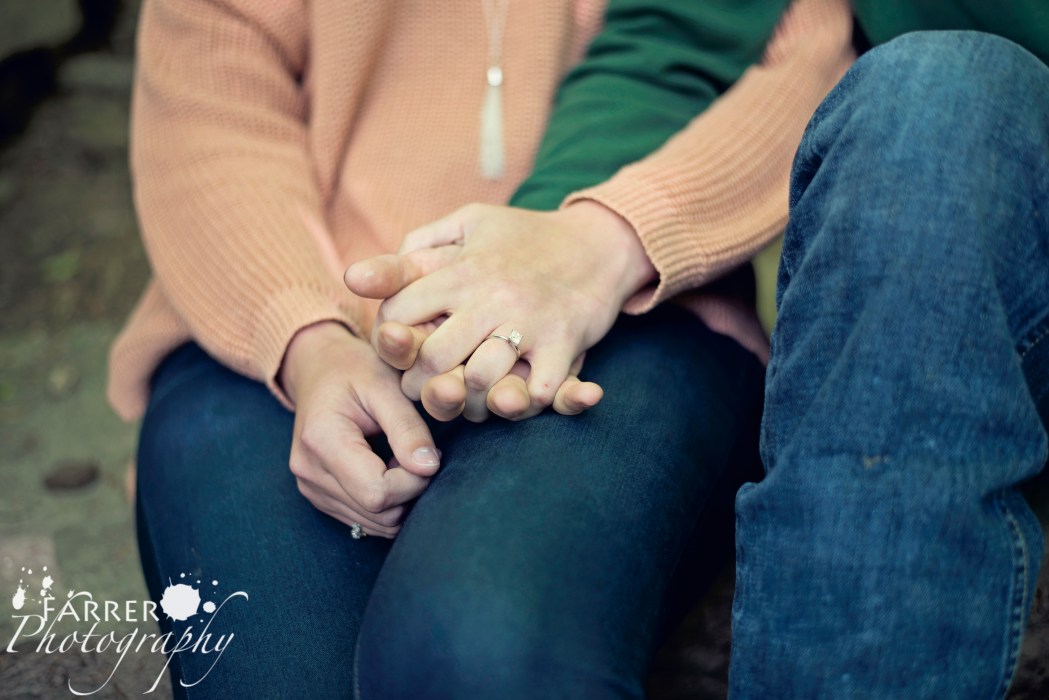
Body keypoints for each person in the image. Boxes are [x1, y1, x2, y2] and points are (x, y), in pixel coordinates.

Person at [111, 0, 849, 696]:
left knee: (485, 654)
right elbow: (209, 113)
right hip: (277, 316)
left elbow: (804, 61)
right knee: (288, 675)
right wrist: (307, 339)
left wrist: (607, 241)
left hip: (632, 305)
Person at [359, 1, 1049, 697]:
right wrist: (560, 250)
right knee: (932, 93)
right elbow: (677, 40)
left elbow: (803, 56)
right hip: (964, 188)